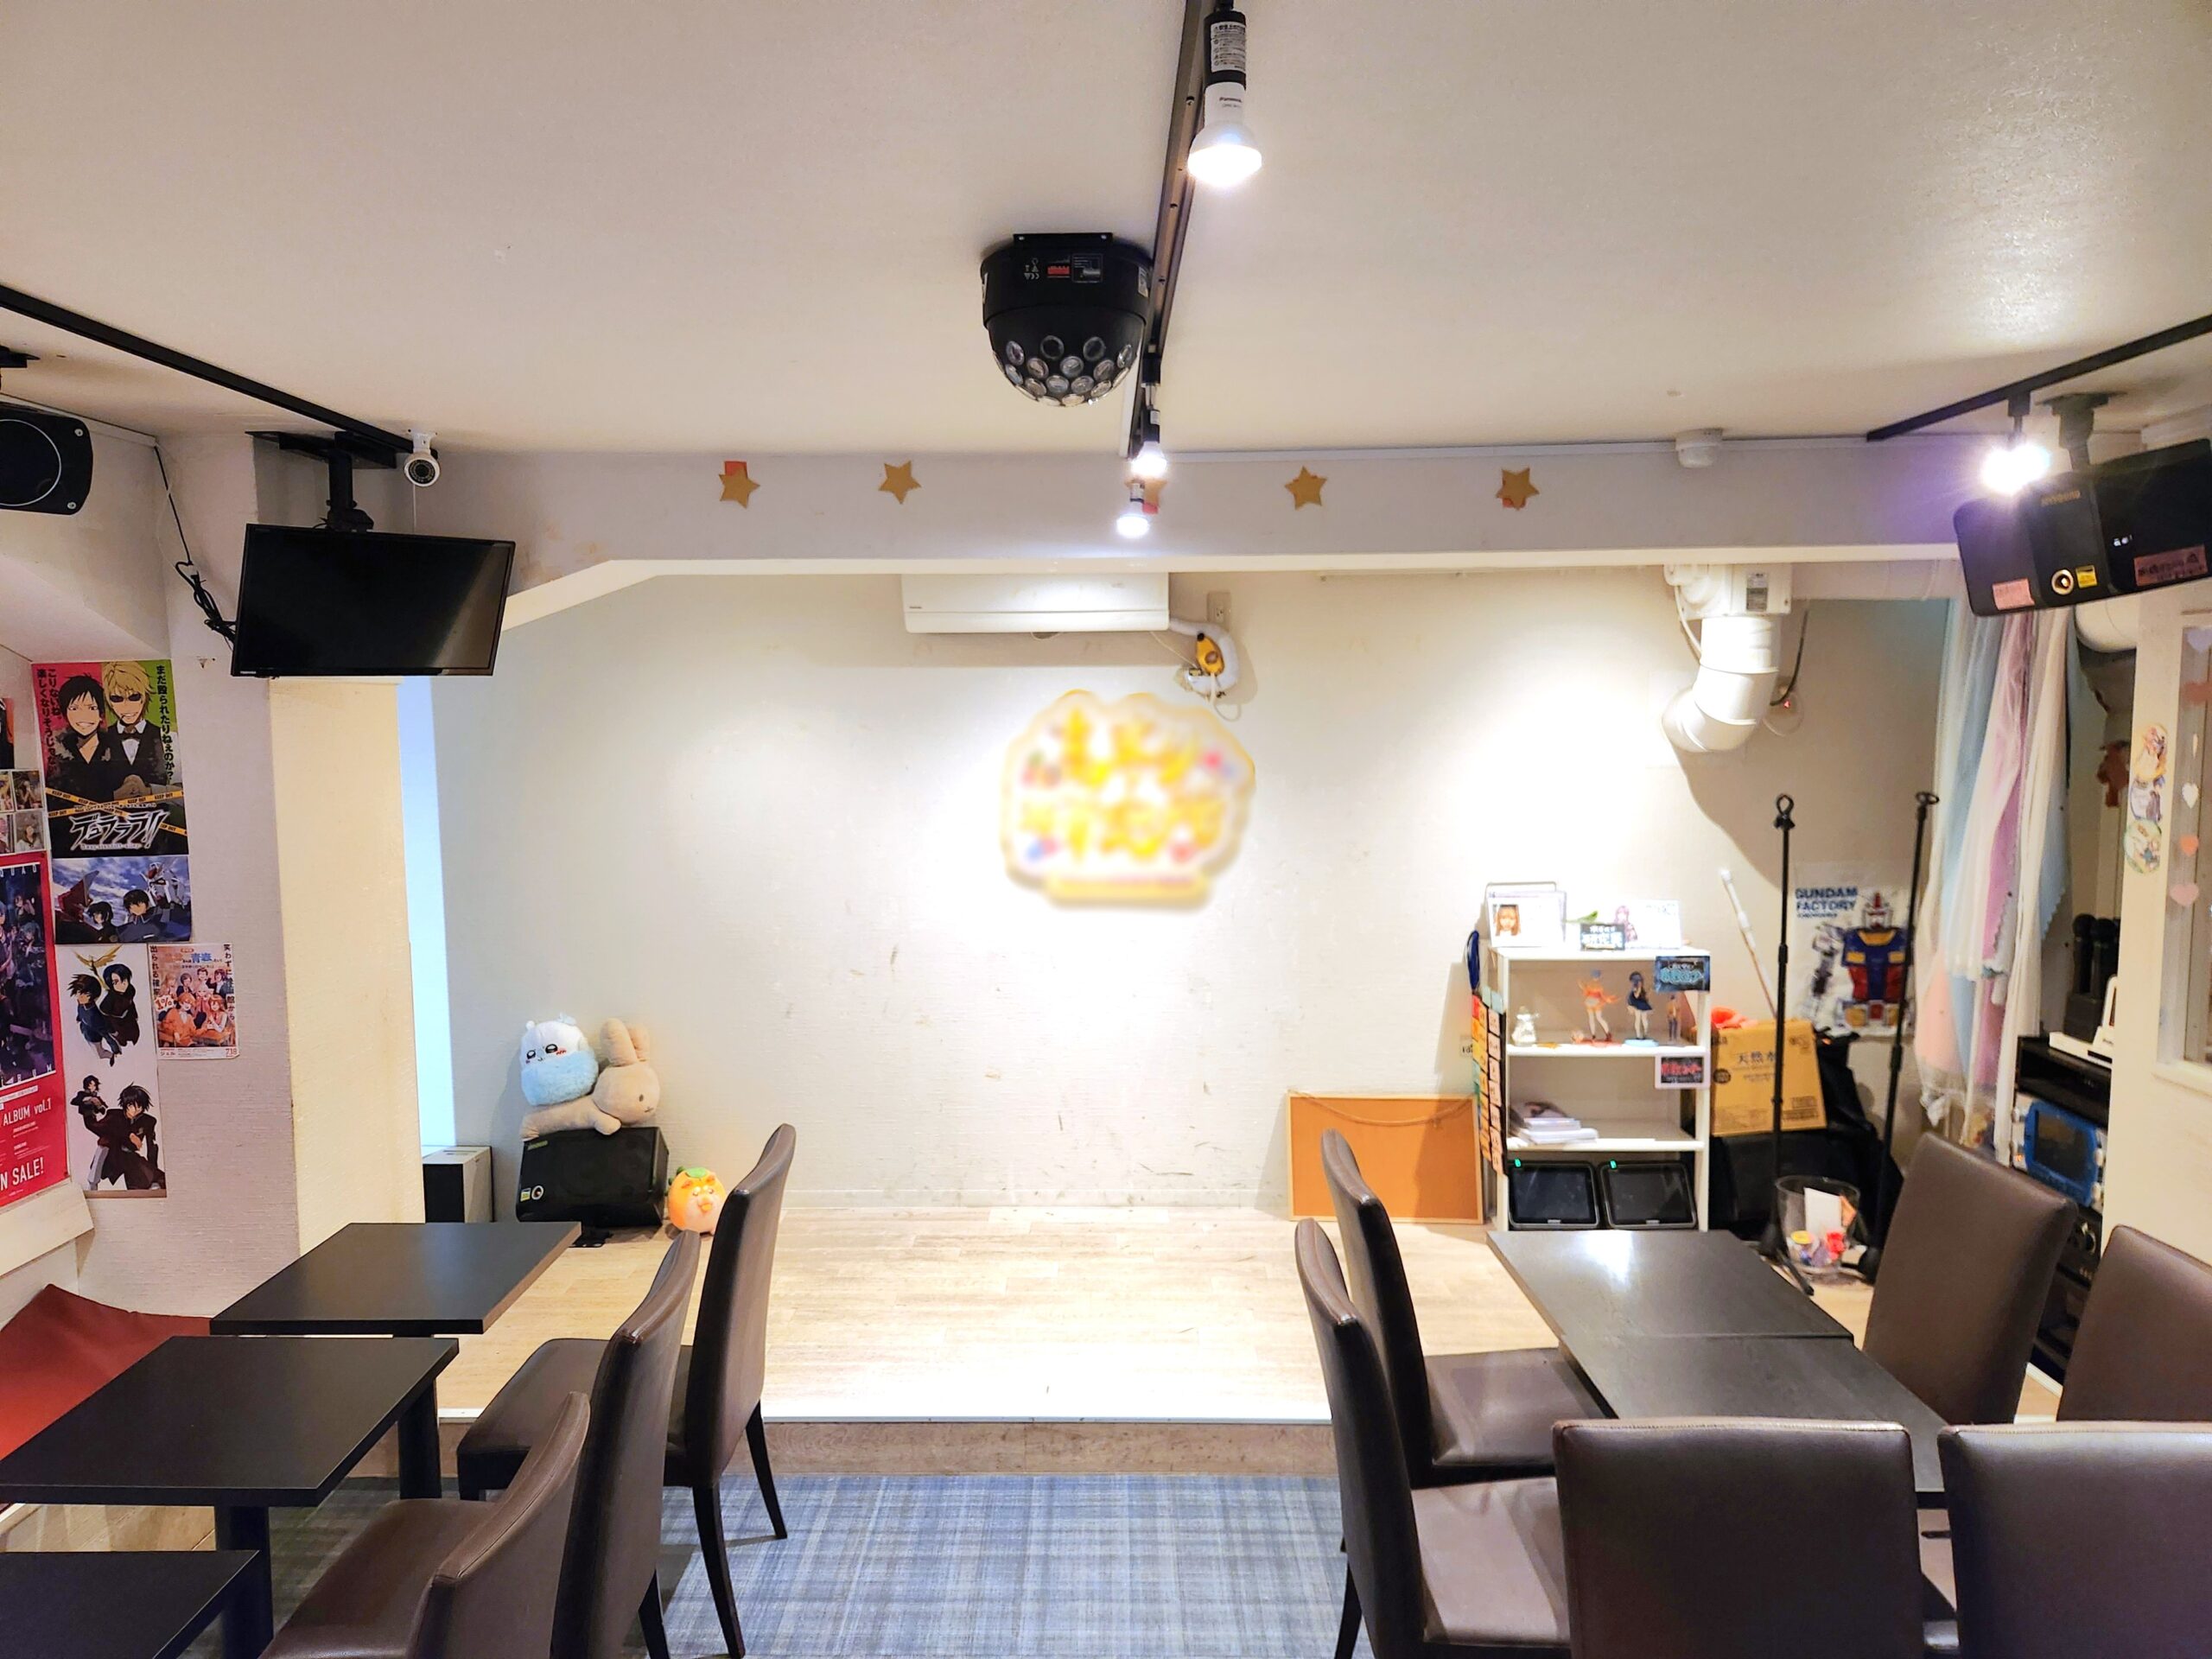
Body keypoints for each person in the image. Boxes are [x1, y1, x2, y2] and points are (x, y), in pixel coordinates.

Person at [43, 674, 119, 805]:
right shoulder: (57, 753)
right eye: (74, 709)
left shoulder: (116, 747)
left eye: (91, 708)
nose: (83, 715)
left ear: (101, 714)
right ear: (65, 715)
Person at [101, 662, 169, 790]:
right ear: (109, 701)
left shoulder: (167, 736)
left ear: (145, 697)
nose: (127, 707)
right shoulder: (101, 739)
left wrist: (150, 792)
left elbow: (182, 787)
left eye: (134, 697)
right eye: (117, 699)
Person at [69, 972, 119, 1064]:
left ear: (93, 996)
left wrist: (115, 1049)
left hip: (94, 1037)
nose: (79, 996)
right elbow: (81, 1012)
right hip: (86, 1031)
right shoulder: (81, 1003)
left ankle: (112, 1056)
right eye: (78, 992)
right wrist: (79, 1018)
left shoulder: (94, 1016)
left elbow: (106, 1034)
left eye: (85, 994)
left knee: (99, 1055)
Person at [97, 962, 139, 1052]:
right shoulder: (109, 1000)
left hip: (129, 1019)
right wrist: (112, 1031)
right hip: (116, 1024)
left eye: (124, 980)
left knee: (135, 1037)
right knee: (123, 1042)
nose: (122, 985)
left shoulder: (130, 990)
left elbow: (131, 1004)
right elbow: (105, 1017)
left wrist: (135, 1015)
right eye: (116, 982)